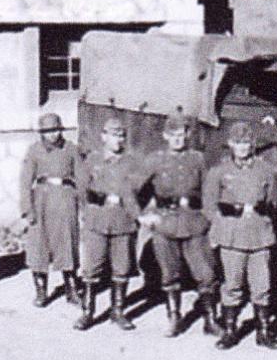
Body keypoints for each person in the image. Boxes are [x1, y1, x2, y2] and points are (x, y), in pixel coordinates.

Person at [139, 113, 221, 338]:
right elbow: (134, 189)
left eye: (182, 134)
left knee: (206, 273)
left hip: (195, 223)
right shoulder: (155, 160)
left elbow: (210, 191)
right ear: (165, 136)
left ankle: (210, 320)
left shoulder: (198, 159)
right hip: (165, 223)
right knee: (169, 273)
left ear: (187, 135)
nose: (178, 139)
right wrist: (141, 216)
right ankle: (174, 317)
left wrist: (209, 218)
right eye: (173, 135)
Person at [204, 122, 277, 350]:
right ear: (230, 144)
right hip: (232, 235)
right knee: (232, 284)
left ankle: (264, 332)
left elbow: (272, 201)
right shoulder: (219, 171)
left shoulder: (265, 170)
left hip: (259, 235)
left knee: (262, 285)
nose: (242, 147)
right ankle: (230, 330)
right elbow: (209, 206)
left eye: (246, 143)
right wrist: (221, 228)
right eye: (238, 143)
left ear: (253, 145)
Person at [75, 116, 140, 331]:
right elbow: (82, 190)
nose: (118, 140)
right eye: (114, 135)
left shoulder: (132, 162)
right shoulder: (92, 161)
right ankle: (87, 312)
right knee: (92, 267)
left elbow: (141, 190)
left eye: (122, 136)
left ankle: (118, 311)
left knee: (122, 267)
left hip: (123, 221)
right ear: (104, 137)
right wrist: (89, 211)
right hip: (97, 220)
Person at [19, 112, 81, 308]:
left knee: (67, 242)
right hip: (41, 201)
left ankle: (71, 289)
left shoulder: (71, 149)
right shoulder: (34, 151)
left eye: (56, 130)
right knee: (39, 244)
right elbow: (25, 181)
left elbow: (81, 177)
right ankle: (41, 291)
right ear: (42, 133)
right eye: (48, 131)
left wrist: (83, 203)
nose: (53, 135)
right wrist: (27, 209)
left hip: (65, 198)